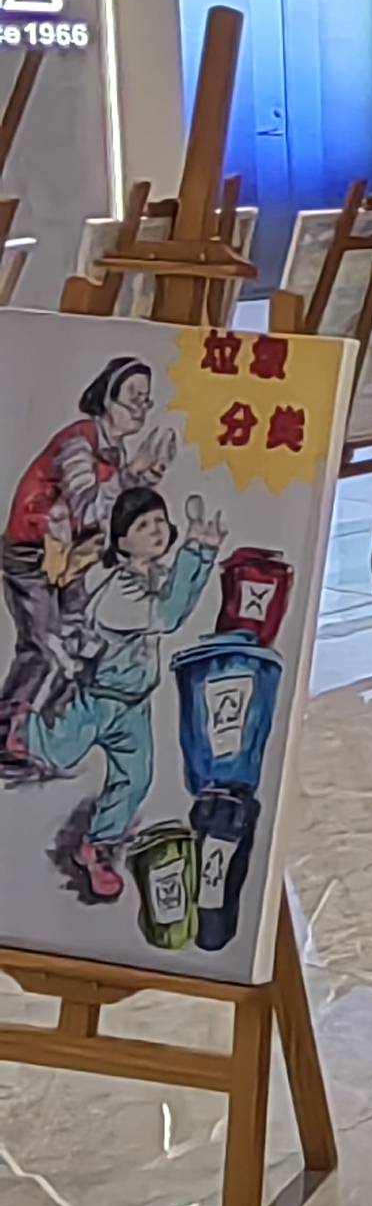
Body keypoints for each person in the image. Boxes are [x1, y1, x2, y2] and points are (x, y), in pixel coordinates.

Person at [21, 486, 223, 900]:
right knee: (59, 754)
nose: (156, 530)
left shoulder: (156, 577)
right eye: (143, 525)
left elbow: (179, 603)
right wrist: (193, 552)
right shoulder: (119, 593)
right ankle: (25, 728)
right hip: (99, 697)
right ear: (121, 541)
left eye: (160, 521)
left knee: (135, 780)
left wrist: (203, 553)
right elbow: (167, 616)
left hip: (135, 705)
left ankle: (95, 847)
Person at [2, 356, 173, 769]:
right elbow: (90, 508)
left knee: (83, 641)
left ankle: (44, 734)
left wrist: (146, 476)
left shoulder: (114, 451)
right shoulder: (78, 443)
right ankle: (6, 731)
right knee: (44, 645)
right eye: (133, 397)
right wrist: (132, 473)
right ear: (106, 398)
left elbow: (114, 512)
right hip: (32, 554)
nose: (142, 407)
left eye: (146, 399)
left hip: (71, 557)